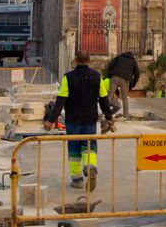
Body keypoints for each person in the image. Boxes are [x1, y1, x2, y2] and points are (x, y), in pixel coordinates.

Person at [44, 51, 114, 191]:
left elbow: (60, 101)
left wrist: (50, 120)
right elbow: (104, 99)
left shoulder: (68, 78)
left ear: (75, 60)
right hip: (90, 119)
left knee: (74, 148)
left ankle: (77, 179)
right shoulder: (97, 77)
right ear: (89, 60)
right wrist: (109, 117)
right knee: (89, 146)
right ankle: (90, 167)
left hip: (73, 120)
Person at [105, 51, 140, 118]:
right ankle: (126, 116)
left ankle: (106, 114)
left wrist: (110, 74)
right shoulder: (133, 61)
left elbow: (110, 64)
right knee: (124, 98)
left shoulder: (119, 57)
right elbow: (137, 75)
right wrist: (132, 84)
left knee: (109, 96)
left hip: (114, 76)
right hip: (124, 79)